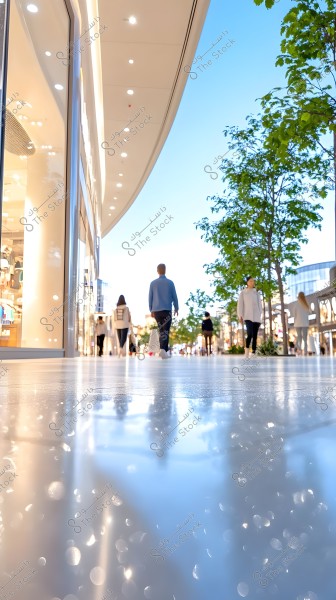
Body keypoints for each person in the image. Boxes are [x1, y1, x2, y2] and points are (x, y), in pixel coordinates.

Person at [148, 263, 179, 359]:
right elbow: (174, 296)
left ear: (157, 271)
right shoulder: (170, 283)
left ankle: (163, 351)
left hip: (156, 311)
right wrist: (176, 308)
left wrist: (151, 310)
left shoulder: (153, 283)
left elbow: (150, 298)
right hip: (167, 310)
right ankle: (163, 350)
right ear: (165, 270)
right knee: (165, 331)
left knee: (161, 330)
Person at [237, 276, 262, 357]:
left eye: (253, 281)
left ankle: (254, 352)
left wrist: (259, 313)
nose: (252, 282)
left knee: (255, 335)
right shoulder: (243, 293)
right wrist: (240, 315)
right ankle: (247, 350)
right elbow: (240, 305)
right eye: (250, 281)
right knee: (250, 334)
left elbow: (260, 305)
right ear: (247, 282)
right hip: (247, 316)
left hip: (256, 316)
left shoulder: (257, 293)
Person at [293, 291, 310, 356]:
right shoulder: (306, 303)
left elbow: (294, 314)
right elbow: (309, 312)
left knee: (299, 337)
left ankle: (299, 349)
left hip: (297, 323)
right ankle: (305, 352)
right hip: (305, 323)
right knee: (305, 338)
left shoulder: (296, 304)